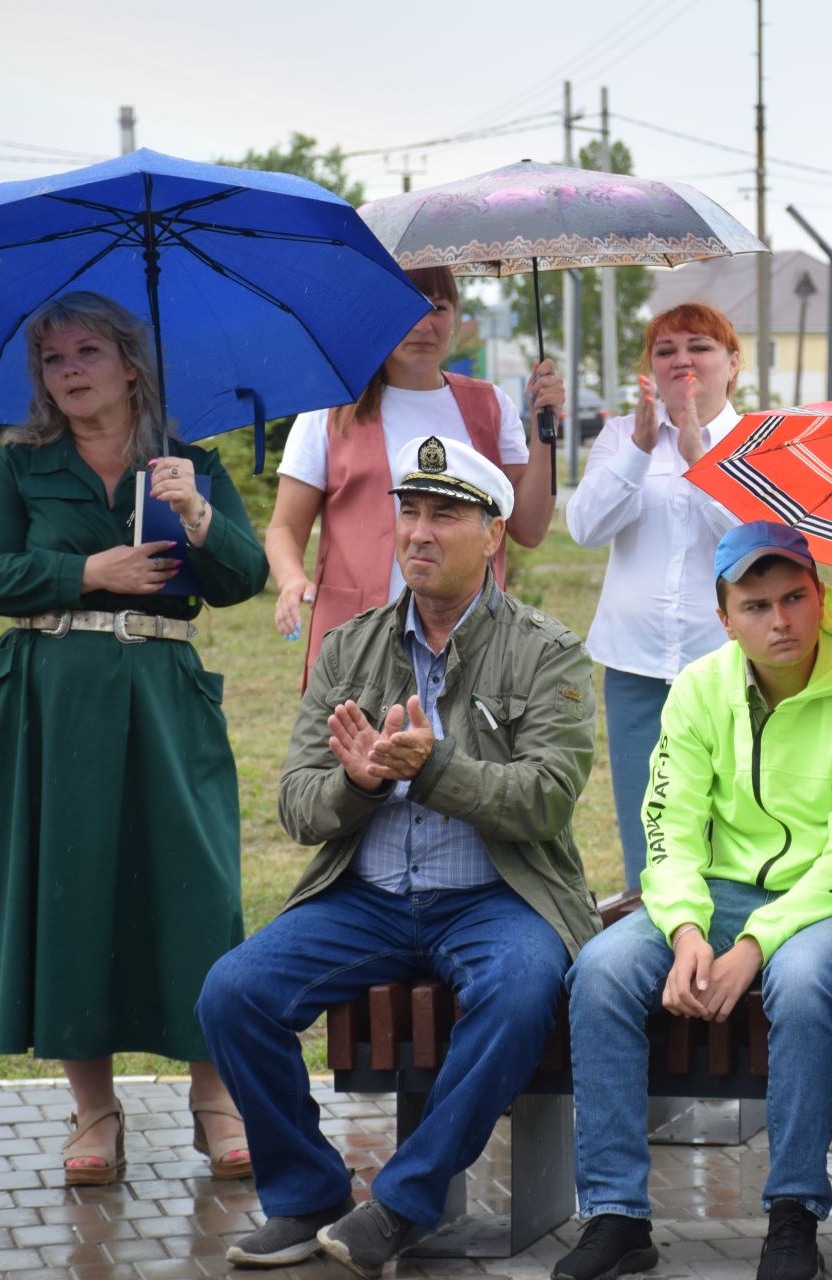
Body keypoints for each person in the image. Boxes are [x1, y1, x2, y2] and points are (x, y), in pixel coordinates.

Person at [198, 436, 600, 1277]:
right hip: (369, 897)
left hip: (496, 895)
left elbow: (548, 799)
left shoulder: (546, 648)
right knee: (233, 993)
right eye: (408, 512)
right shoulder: (349, 647)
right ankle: (309, 1195)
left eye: (443, 515)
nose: (418, 532)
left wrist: (437, 768)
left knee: (523, 987)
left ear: (493, 535)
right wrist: (363, 784)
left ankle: (403, 1206)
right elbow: (298, 806)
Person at [0, 291, 268, 1185]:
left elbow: (243, 579)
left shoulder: (188, 464)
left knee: (198, 888)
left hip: (165, 694)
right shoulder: (17, 470)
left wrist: (195, 513)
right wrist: (87, 569)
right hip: (52, 700)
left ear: (129, 363)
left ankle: (215, 1098)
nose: (69, 371)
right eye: (52, 359)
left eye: (86, 353)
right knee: (71, 887)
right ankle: (94, 1111)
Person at [552, 522, 832, 1280]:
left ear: (819, 594)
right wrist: (684, 929)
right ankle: (616, 1215)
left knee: (803, 983)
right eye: (755, 606)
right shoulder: (699, 689)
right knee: (603, 970)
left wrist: (755, 946)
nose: (780, 621)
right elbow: (668, 826)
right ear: (724, 618)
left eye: (794, 598)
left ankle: (793, 1215)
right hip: (715, 895)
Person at [266, 265, 562, 681]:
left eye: (437, 307)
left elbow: (528, 529)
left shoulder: (490, 407)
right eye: (405, 307)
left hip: (468, 650)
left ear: (455, 315)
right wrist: (291, 579)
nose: (423, 324)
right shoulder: (330, 411)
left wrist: (544, 428)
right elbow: (283, 527)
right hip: (357, 648)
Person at [564, 303, 746, 889]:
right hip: (635, 664)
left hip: (727, 662)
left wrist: (699, 459)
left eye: (700, 346)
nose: (682, 359)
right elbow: (585, 529)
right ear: (650, 367)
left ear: (732, 363)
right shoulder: (621, 435)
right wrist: (641, 450)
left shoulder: (751, 443)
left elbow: (760, 548)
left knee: (729, 810)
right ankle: (652, 930)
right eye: (665, 350)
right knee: (645, 813)